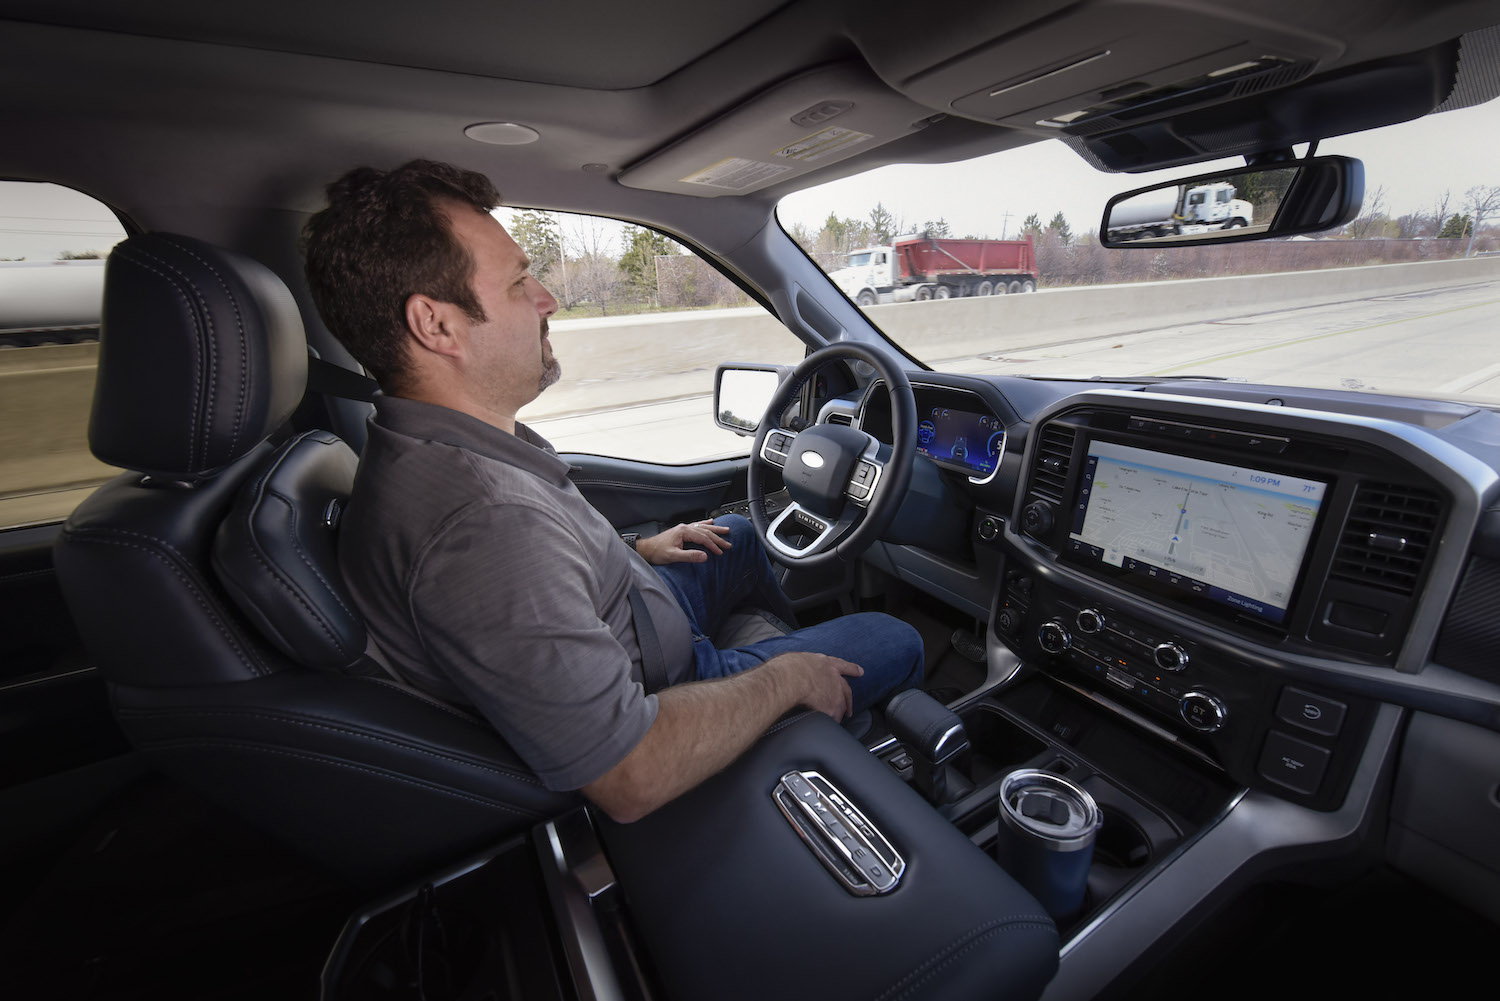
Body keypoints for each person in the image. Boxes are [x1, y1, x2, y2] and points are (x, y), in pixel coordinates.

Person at [301, 159, 923, 822]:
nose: (548, 299)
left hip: (631, 626)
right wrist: (783, 680)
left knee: (738, 537)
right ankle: (821, 736)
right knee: (897, 637)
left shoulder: (440, 445)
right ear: (437, 325)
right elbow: (630, 769)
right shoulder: (480, 523)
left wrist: (633, 554)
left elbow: (540, 573)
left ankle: (797, 694)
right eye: (518, 283)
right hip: (662, 693)